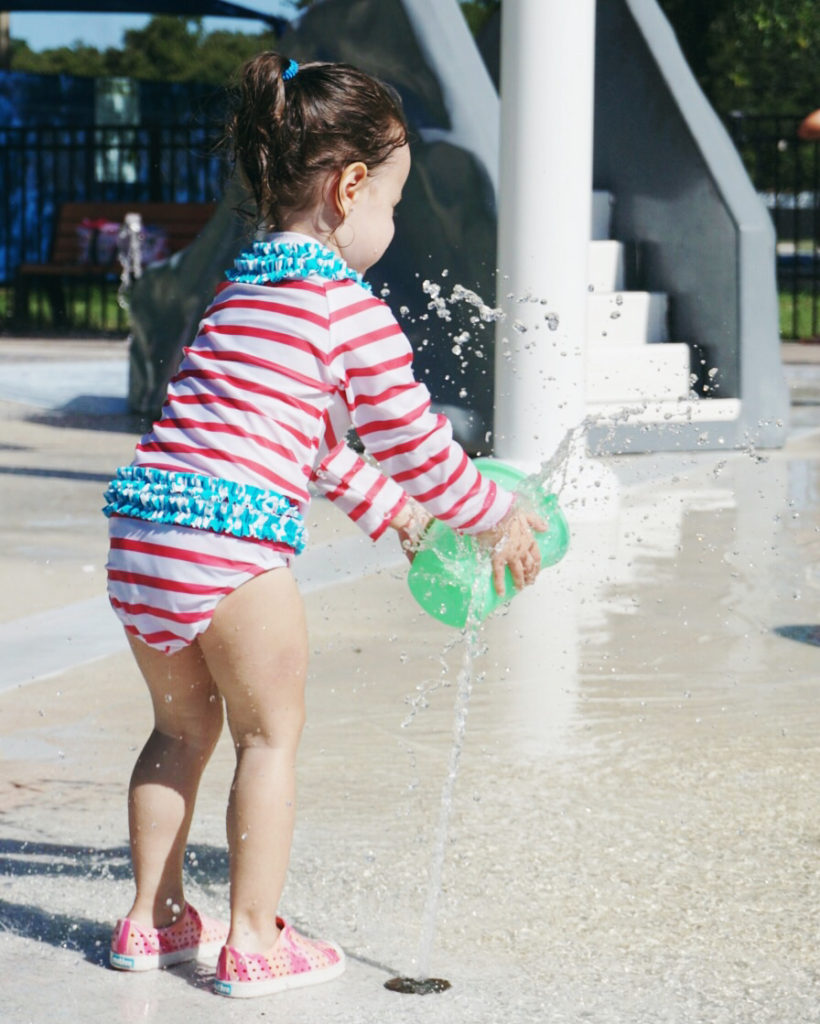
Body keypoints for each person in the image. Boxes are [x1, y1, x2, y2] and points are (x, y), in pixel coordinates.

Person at [103, 51, 544, 1000]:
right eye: (391, 202)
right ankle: (254, 938)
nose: (391, 222)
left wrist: (398, 520)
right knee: (270, 738)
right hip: (231, 551)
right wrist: (492, 512)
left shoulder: (240, 291)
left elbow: (301, 445)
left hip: (142, 534)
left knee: (178, 731)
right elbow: (418, 443)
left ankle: (152, 919)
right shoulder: (347, 310)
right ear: (349, 189)